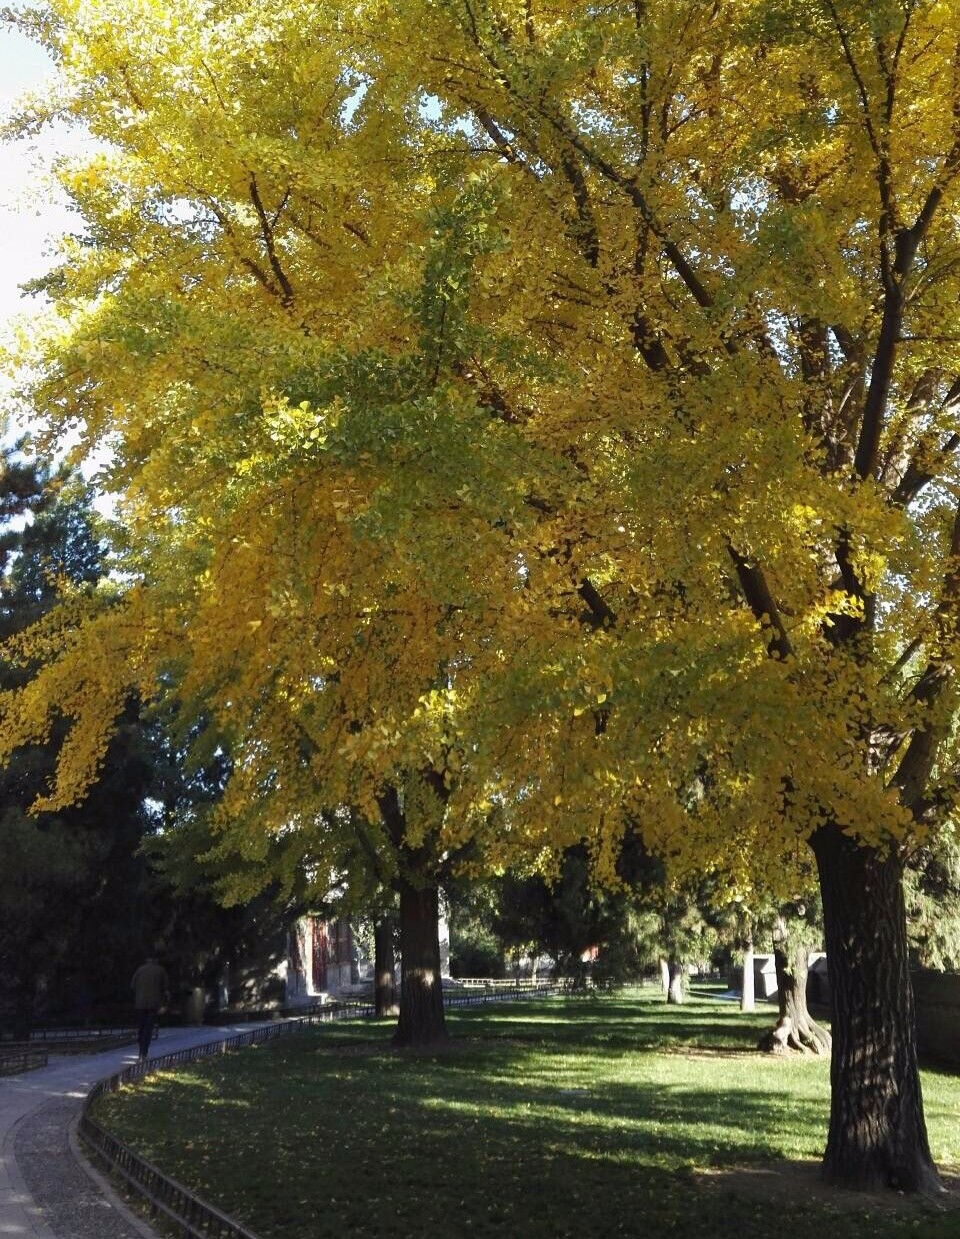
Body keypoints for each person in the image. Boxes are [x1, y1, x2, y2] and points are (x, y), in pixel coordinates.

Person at [131, 954, 169, 1061]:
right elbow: (166, 989)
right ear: (156, 960)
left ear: (147, 959)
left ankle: (140, 1051)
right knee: (148, 1029)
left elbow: (132, 985)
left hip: (140, 1004)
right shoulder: (161, 970)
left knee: (141, 1028)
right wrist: (164, 1005)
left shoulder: (139, 970)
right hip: (154, 1004)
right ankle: (143, 1052)